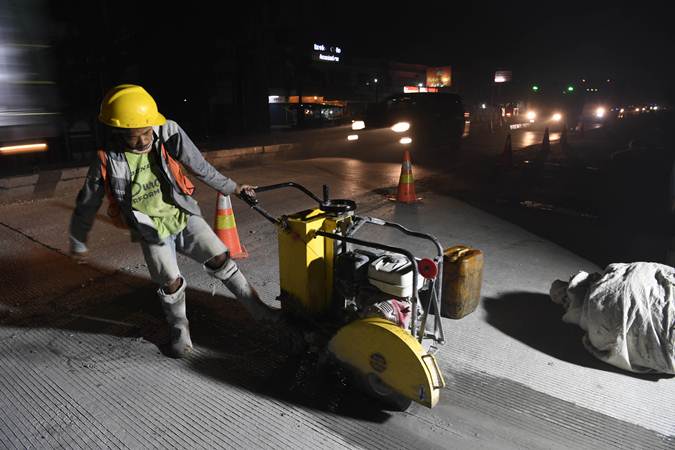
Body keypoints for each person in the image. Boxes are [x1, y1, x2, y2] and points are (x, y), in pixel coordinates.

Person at [69, 84, 278, 358]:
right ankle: (180, 330)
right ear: (117, 131)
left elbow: (199, 166)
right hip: (150, 228)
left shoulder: (168, 132)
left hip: (182, 214)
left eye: (147, 132)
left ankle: (259, 310)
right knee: (170, 281)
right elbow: (86, 204)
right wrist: (78, 241)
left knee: (220, 257)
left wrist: (234, 188)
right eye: (134, 136)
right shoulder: (107, 160)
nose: (144, 140)